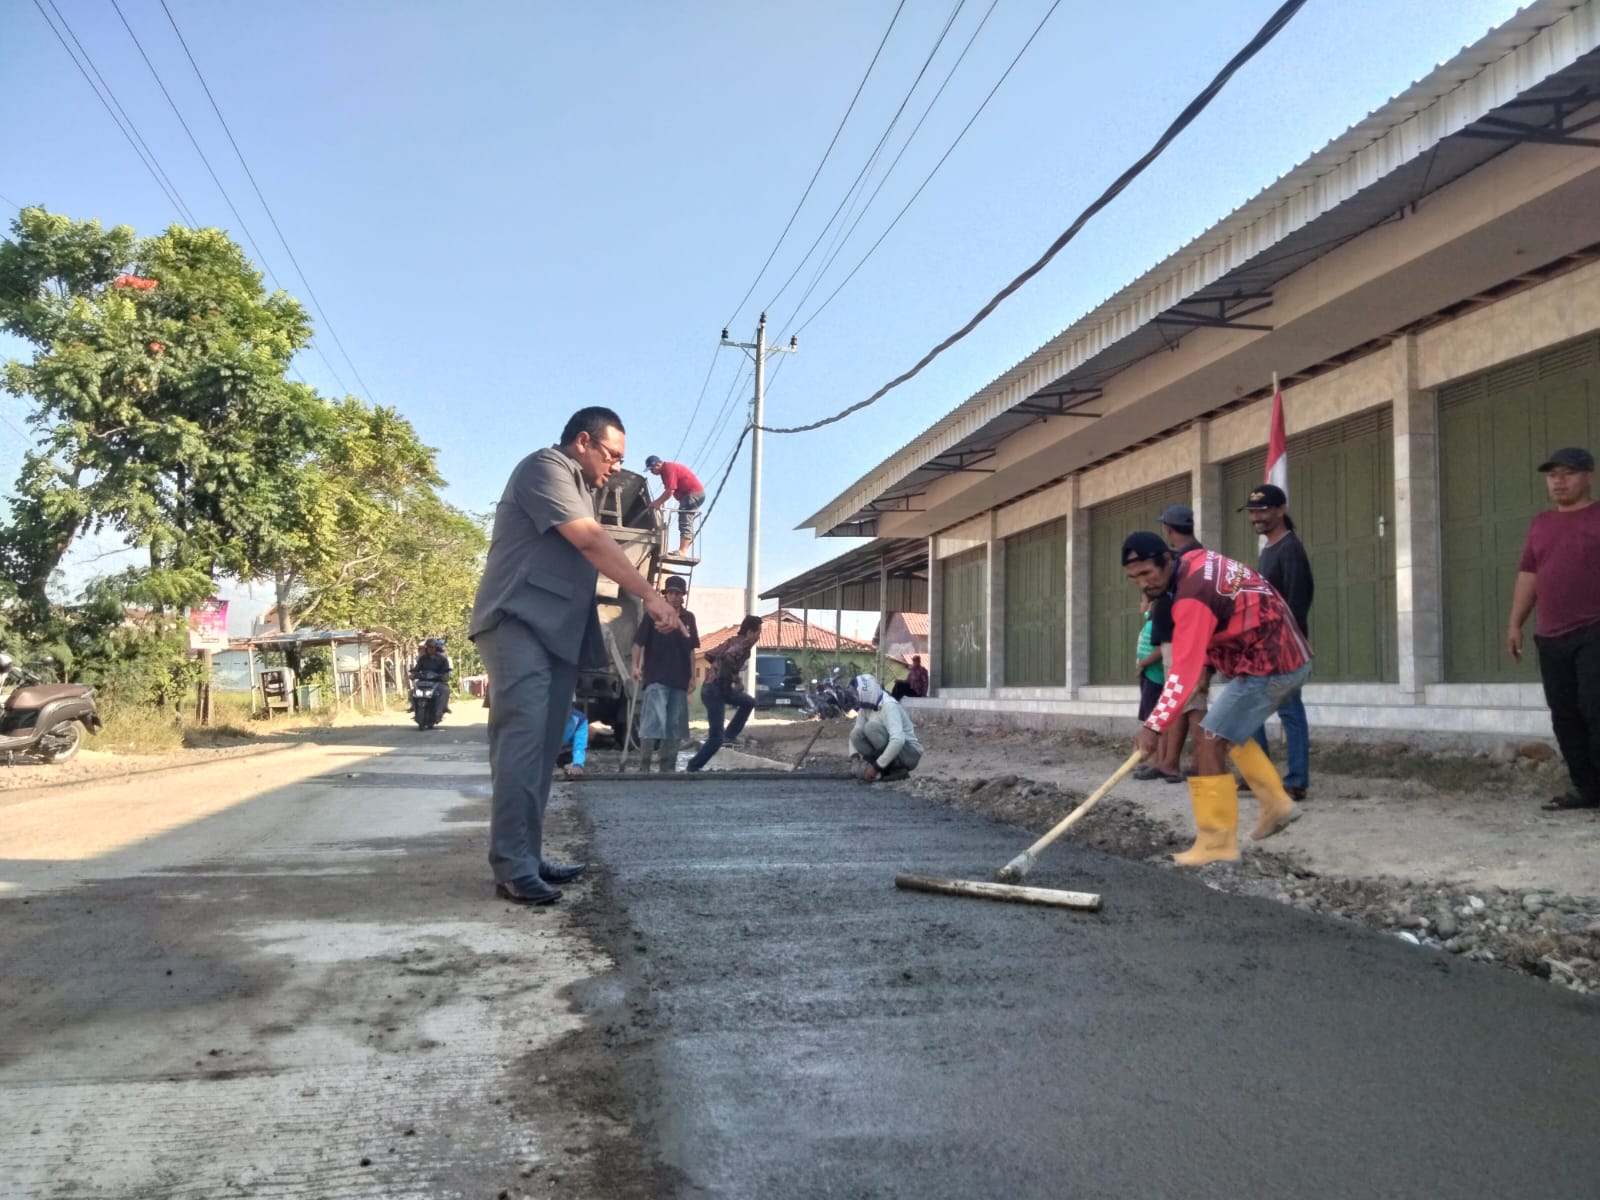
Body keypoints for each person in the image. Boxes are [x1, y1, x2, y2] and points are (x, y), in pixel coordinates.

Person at [470, 406, 684, 906]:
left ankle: (525, 852)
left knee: (545, 748)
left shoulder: (585, 488)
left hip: (557, 631)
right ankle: (513, 867)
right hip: (518, 622)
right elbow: (590, 539)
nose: (614, 466)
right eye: (610, 455)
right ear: (583, 442)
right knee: (522, 742)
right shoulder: (545, 468)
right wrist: (651, 598)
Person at [1124, 531, 1312, 866]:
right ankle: (1276, 803)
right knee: (1224, 730)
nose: (1141, 583)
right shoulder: (1194, 561)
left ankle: (1216, 842)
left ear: (1167, 560)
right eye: (1134, 577)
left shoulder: (1190, 597)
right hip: (1274, 654)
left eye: (1146, 573)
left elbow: (1181, 674)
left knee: (1208, 738)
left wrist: (1153, 726)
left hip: (1272, 663)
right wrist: (1208, 669)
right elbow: (1228, 611)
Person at [1507, 446, 1600, 812]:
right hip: (1550, 635)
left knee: (1595, 708)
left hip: (1594, 628)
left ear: (1589, 476)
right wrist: (1515, 622)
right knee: (1565, 714)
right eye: (1552, 475)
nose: (1559, 481)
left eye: (1568, 473)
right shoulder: (1540, 524)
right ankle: (1588, 790)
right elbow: (1529, 575)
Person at [1243, 484, 1314, 800]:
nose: (1257, 516)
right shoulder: (1269, 549)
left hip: (1284, 648)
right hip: (1262, 645)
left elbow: (1299, 601)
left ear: (1281, 510)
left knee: (1290, 713)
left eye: (1263, 510)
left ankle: (1296, 780)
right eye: (1253, 511)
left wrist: (1285, 647)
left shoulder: (1290, 549)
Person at [1149, 504, 1206, 784]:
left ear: (1169, 530)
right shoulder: (1190, 556)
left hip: (1182, 638)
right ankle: (1172, 761)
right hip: (1178, 636)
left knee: (1191, 702)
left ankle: (1194, 762)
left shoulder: (1185, 560)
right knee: (1185, 702)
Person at [631, 574, 700, 772]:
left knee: (675, 726)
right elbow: (638, 643)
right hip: (656, 678)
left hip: (679, 679)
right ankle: (644, 766)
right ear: (666, 595)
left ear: (683, 596)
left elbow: (690, 650)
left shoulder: (688, 618)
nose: (674, 596)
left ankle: (668, 768)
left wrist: (692, 677)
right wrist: (635, 666)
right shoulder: (653, 615)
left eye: (678, 593)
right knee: (653, 722)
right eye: (671, 592)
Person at [686, 615, 761, 772]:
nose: (758, 638)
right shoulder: (743, 645)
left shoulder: (731, 641)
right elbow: (727, 660)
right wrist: (725, 682)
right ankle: (693, 766)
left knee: (748, 702)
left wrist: (735, 679)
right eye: (757, 633)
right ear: (750, 632)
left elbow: (710, 655)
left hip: (711, 688)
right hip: (716, 691)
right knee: (716, 738)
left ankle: (730, 735)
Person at [848, 673, 923, 781]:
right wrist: (855, 760)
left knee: (871, 728)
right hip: (895, 752)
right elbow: (855, 731)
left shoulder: (889, 706)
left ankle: (897, 769)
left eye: (857, 693)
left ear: (865, 692)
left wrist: (876, 767)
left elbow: (898, 740)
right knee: (856, 734)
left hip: (909, 754)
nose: (855, 696)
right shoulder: (866, 707)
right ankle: (883, 768)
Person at [1131, 596, 1168, 780]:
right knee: (1149, 718)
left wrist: (1144, 664)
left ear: (1151, 605)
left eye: (1143, 600)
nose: (1140, 604)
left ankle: (1157, 761)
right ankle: (1153, 760)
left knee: (1154, 720)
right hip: (1148, 676)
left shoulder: (1157, 624)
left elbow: (1161, 650)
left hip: (1155, 677)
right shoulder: (1150, 623)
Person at [644, 456, 706, 556]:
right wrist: (659, 503)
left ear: (658, 464)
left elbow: (670, 490)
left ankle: (683, 550)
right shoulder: (664, 473)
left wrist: (657, 502)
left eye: (651, 469)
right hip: (690, 495)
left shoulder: (668, 468)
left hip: (693, 494)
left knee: (685, 519)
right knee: (685, 518)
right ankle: (684, 547)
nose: (651, 472)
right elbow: (668, 491)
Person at [555, 706, 588, 777]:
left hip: (566, 752)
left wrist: (578, 764)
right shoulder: (543, 716)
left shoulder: (580, 720)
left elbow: (579, 745)